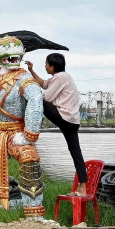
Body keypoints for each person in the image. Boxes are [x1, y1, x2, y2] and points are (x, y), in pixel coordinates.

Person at [26, 53, 89, 197]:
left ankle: (29, 126)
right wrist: (31, 71)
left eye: (46, 64)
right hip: (72, 122)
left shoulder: (61, 78)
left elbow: (46, 96)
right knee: (76, 153)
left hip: (65, 118)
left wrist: (28, 91)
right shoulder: (60, 77)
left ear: (52, 66)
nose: (45, 66)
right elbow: (43, 84)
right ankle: (83, 188)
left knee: (38, 99)